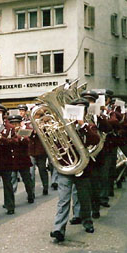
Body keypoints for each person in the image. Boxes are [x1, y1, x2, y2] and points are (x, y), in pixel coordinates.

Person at [50, 98, 100, 242]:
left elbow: (95, 140)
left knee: (84, 198)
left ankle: (87, 222)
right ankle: (58, 229)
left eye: (81, 109)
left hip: (83, 168)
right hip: (66, 167)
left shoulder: (89, 126)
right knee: (63, 200)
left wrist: (82, 125)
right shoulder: (63, 126)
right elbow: (55, 145)